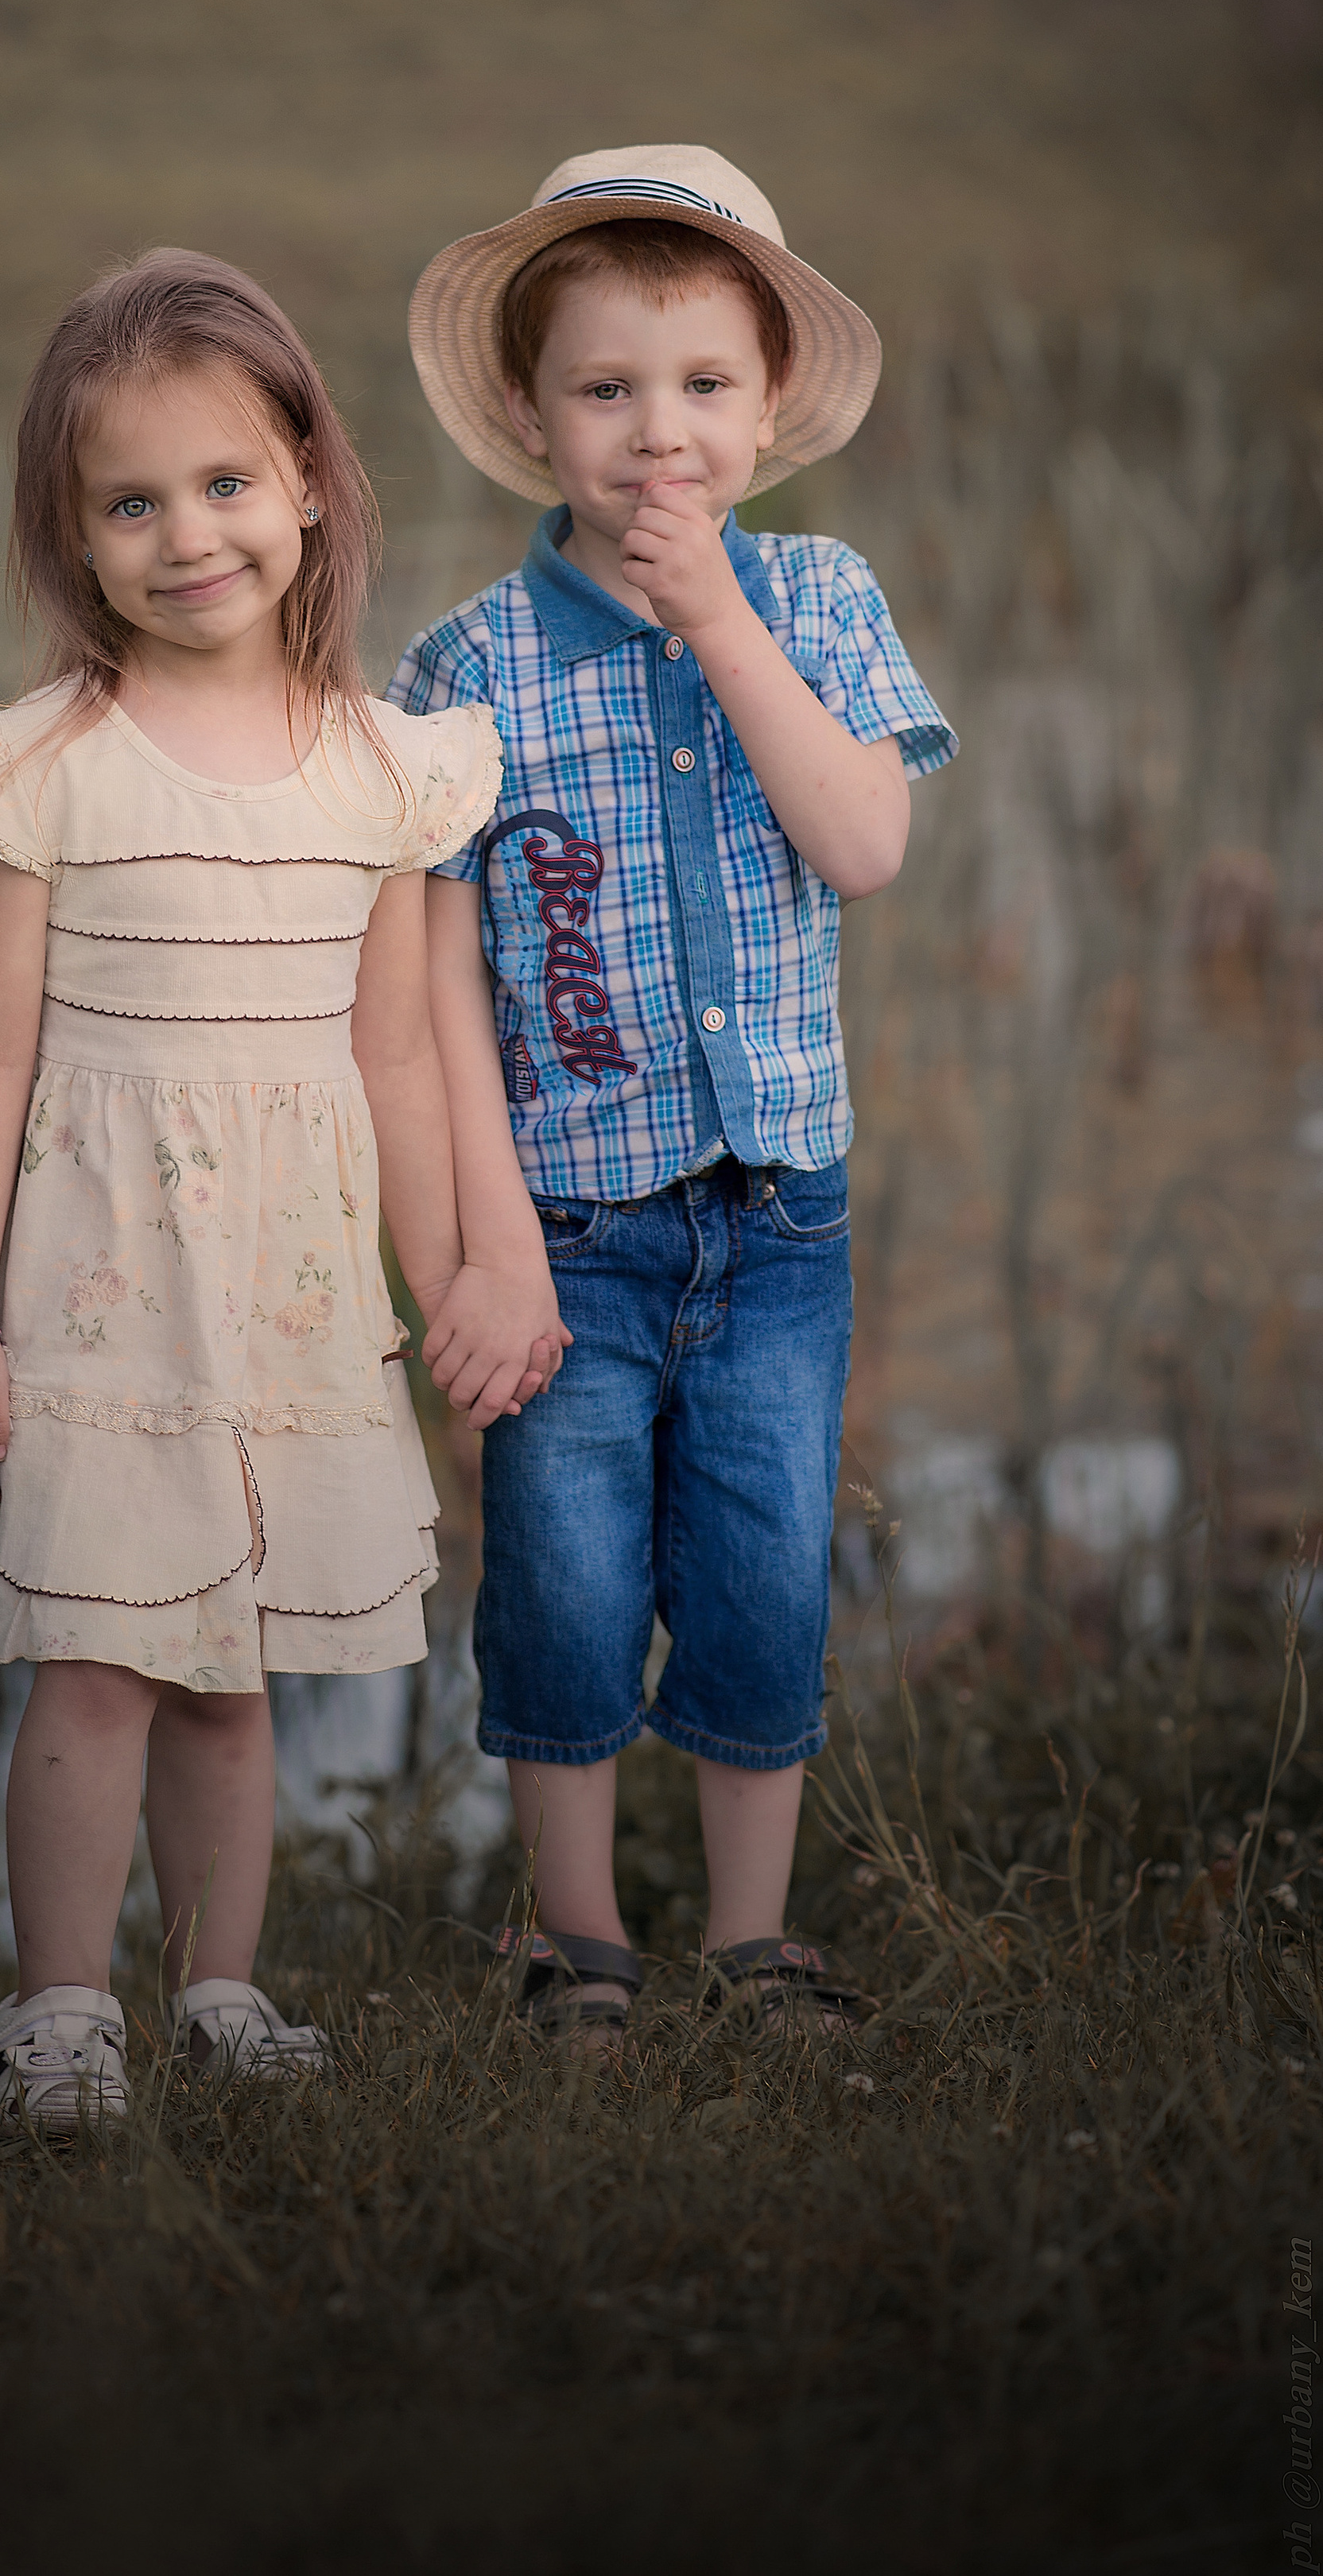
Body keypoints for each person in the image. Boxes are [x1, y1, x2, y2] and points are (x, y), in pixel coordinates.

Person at [0, 249, 549, 2128]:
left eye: (226, 484)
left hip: (292, 1294)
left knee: (231, 1672)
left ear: (308, 482)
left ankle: (218, 1989)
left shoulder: (389, 771)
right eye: (132, 502)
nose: (188, 536)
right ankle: (61, 2007)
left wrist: (438, 1282)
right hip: (92, 1282)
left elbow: (395, 1054)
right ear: (73, 538)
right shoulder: (43, 767)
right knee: (93, 1660)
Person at [388, 145, 956, 2040]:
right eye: (604, 389)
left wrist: (718, 620)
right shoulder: (467, 670)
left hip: (775, 1216)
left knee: (761, 1560)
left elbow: (863, 841)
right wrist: (479, 1243)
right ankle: (568, 1931)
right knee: (555, 1574)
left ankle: (747, 1932)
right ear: (533, 416)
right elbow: (442, 1001)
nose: (654, 433)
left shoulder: (810, 593)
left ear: (765, 403)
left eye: (701, 385)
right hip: (567, 1224)